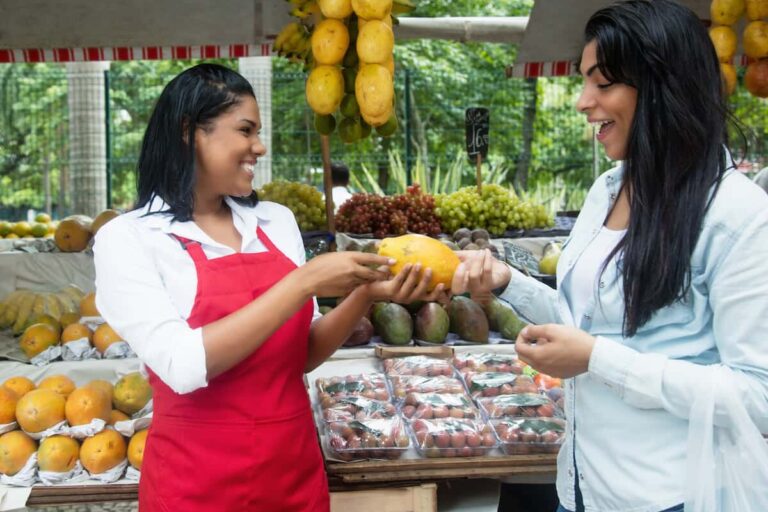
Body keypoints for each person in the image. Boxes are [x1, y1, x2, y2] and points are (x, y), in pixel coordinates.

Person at [452, 1, 768, 511]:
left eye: (602, 84)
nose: (582, 101)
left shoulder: (737, 215)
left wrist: (598, 360)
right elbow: (590, 326)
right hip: (581, 485)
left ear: (664, 86)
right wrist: (510, 283)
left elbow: (759, 397)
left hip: (671, 496)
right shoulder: (609, 187)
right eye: (584, 82)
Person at [93, 63, 446, 511]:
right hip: (195, 485)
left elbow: (301, 354)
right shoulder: (129, 239)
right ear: (189, 132)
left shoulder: (275, 221)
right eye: (245, 130)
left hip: (292, 474)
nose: (258, 147)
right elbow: (181, 366)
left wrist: (366, 295)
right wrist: (301, 283)